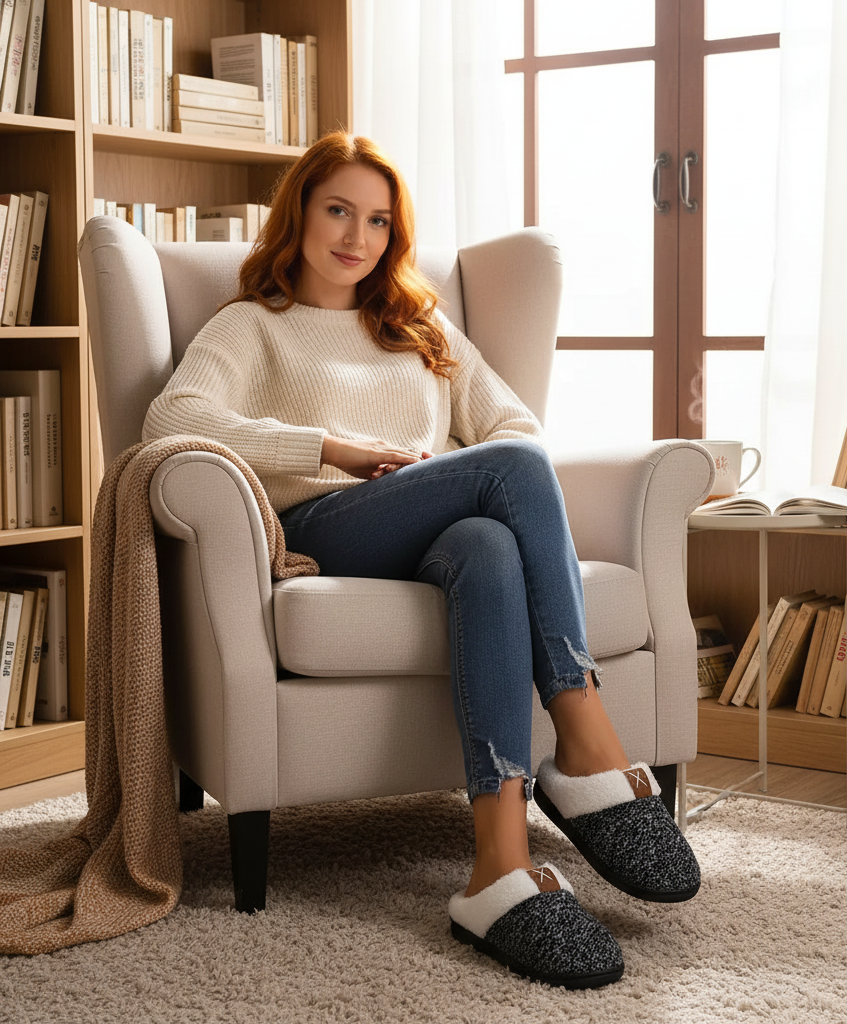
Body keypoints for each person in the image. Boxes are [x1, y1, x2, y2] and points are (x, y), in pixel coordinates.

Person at [143, 130, 700, 989]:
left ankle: (498, 867)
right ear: (299, 211)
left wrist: (443, 474)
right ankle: (585, 740)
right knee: (507, 478)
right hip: (332, 522)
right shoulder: (253, 326)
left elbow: (514, 427)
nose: (355, 237)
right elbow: (173, 423)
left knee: (486, 539)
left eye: (376, 220)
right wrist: (336, 447)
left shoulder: (418, 325)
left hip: (434, 522)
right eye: (337, 210)